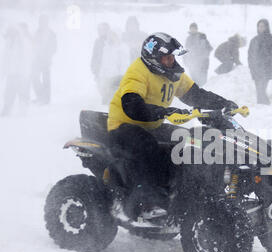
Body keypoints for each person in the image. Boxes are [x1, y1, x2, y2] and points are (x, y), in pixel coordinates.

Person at [107, 33, 238, 212]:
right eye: (166, 58)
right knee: (148, 147)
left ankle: (185, 188)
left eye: (172, 57)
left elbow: (196, 95)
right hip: (124, 125)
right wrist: (165, 111)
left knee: (189, 141)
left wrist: (224, 103)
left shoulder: (173, 75)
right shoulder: (137, 72)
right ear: (153, 59)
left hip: (152, 124)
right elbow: (132, 105)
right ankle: (149, 198)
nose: (171, 61)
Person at [1, 24, 32, 116]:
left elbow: (26, 58)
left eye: (11, 33)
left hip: (21, 73)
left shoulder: (22, 43)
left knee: (22, 91)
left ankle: (23, 110)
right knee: (9, 91)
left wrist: (25, 72)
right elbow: (5, 59)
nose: (10, 35)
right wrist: (3, 72)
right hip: (11, 73)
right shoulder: (8, 43)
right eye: (9, 33)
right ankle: (7, 108)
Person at [91, 25, 128, 104]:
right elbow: (103, 66)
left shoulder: (123, 49)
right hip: (107, 80)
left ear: (118, 36)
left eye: (114, 35)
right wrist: (101, 80)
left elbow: (125, 67)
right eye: (111, 35)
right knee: (106, 103)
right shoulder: (106, 49)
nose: (112, 37)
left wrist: (121, 82)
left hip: (117, 81)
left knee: (116, 103)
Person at [248, 19, 272, 105]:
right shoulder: (254, 40)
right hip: (255, 69)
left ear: (267, 27)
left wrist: (265, 60)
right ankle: (262, 107)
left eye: (262, 26)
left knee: (261, 89)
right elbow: (250, 55)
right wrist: (251, 66)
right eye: (259, 26)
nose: (260, 28)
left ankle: (265, 106)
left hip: (266, 68)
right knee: (258, 90)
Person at [31, 14, 57, 105]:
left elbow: (54, 47)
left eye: (43, 21)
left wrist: (47, 55)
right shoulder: (37, 32)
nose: (41, 23)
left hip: (46, 60)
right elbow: (32, 44)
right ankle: (41, 96)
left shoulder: (51, 33)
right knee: (34, 78)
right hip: (36, 59)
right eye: (40, 21)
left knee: (46, 80)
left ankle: (46, 99)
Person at [184, 22, 213, 87]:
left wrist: (204, 56)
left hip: (203, 62)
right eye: (192, 28)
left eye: (194, 28)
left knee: (203, 81)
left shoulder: (201, 37)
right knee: (194, 81)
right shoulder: (188, 39)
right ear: (190, 29)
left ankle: (204, 94)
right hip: (193, 63)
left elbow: (209, 48)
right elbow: (186, 50)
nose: (193, 30)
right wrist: (186, 60)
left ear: (197, 29)